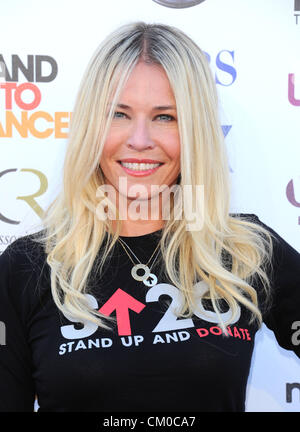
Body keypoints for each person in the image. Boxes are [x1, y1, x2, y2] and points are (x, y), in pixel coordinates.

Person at [0, 21, 299, 413]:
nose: (140, 140)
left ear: (195, 130)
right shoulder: (27, 268)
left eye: (165, 117)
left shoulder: (246, 250)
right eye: (118, 114)